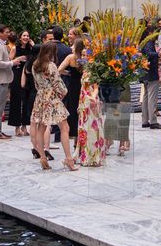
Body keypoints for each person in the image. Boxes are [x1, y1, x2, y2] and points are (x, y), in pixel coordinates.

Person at [31, 42, 77, 171]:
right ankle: (69, 159)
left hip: (40, 97)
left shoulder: (35, 65)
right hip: (52, 97)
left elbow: (36, 84)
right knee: (64, 127)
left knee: (41, 127)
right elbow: (58, 84)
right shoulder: (50, 66)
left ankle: (43, 158)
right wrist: (64, 93)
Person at [0, 25, 25, 140]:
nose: (9, 34)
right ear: (0, 33)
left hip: (2, 79)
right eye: (7, 32)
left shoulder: (0, 44)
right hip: (0, 80)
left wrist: (13, 60)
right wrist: (12, 63)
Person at [76, 67, 107, 166]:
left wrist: (92, 98)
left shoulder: (94, 71)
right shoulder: (85, 71)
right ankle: (85, 156)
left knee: (93, 128)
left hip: (90, 102)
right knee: (84, 129)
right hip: (83, 102)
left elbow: (96, 88)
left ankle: (93, 157)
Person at [58, 38, 86, 139]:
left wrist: (68, 73)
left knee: (72, 106)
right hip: (83, 84)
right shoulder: (86, 57)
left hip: (73, 84)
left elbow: (59, 70)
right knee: (82, 106)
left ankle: (73, 131)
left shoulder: (71, 57)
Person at [8, 30, 33, 136]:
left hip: (27, 75)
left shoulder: (30, 48)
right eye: (24, 35)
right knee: (16, 101)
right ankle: (17, 127)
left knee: (27, 101)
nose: (26, 37)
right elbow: (8, 62)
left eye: (27, 36)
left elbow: (36, 57)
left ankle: (25, 126)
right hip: (17, 75)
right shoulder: (15, 48)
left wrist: (33, 45)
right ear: (20, 37)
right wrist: (17, 59)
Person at [141, 29, 161, 129]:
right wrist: (158, 54)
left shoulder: (144, 42)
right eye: (155, 32)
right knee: (152, 97)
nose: (156, 34)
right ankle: (153, 121)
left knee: (146, 97)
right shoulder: (149, 43)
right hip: (151, 73)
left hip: (145, 73)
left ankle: (145, 120)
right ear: (150, 33)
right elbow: (149, 54)